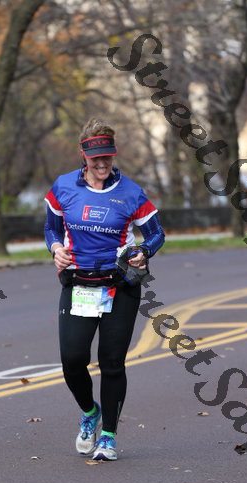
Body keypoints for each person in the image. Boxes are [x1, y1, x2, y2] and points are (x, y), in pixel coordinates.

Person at [44, 117, 165, 460]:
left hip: (119, 285)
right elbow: (51, 228)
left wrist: (144, 252)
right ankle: (90, 412)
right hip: (78, 283)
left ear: (114, 154)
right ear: (83, 155)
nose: (102, 163)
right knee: (72, 360)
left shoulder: (130, 192)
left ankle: (108, 436)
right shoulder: (63, 187)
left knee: (111, 363)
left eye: (107, 157)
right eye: (95, 158)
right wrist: (56, 248)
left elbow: (156, 234)